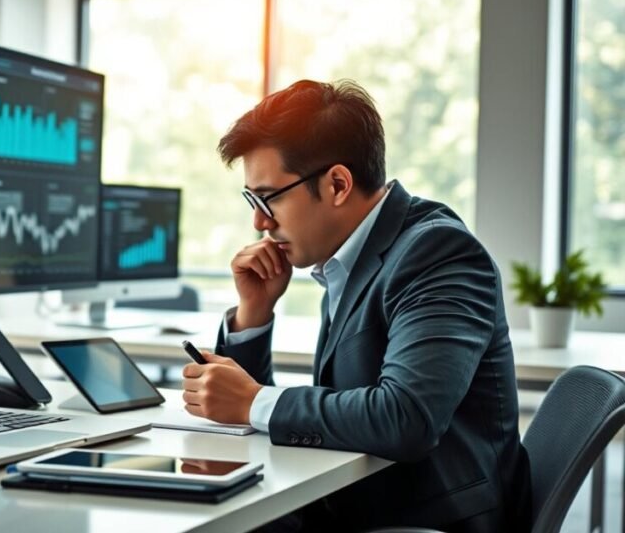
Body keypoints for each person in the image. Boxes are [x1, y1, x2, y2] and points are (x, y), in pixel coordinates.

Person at [181, 79, 531, 532]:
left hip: (427, 522)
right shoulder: (349, 255)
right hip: (360, 505)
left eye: (268, 198)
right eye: (252, 200)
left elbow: (406, 417)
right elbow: (259, 415)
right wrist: (254, 314)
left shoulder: (438, 253)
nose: (259, 221)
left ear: (338, 185)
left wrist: (255, 403)